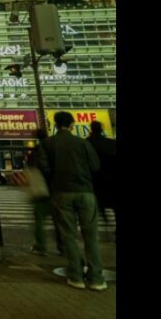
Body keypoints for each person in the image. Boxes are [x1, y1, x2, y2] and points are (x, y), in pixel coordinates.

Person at [37, 111, 106, 291]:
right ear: (73, 124)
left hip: (61, 192)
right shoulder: (83, 143)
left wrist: (56, 177)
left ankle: (76, 276)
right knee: (91, 236)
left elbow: (43, 167)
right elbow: (95, 166)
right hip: (85, 191)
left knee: (69, 235)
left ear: (55, 124)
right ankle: (96, 278)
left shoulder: (48, 144)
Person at [26, 128, 64, 256]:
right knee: (59, 221)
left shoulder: (36, 152)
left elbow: (32, 169)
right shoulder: (57, 150)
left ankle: (41, 246)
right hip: (57, 189)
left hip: (42, 191)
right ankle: (63, 247)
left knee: (39, 220)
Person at [87, 121, 117, 237]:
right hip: (113, 180)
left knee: (96, 208)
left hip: (94, 181)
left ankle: (101, 227)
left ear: (91, 129)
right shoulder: (111, 143)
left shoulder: (86, 143)